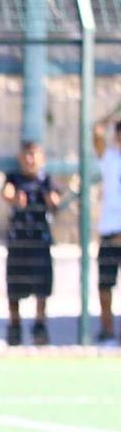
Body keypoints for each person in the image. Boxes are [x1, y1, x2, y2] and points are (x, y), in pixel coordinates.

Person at [0, 140, 62, 347]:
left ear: (41, 158)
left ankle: (39, 325)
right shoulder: (14, 178)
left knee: (42, 287)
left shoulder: (46, 181)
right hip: (18, 241)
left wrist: (50, 199)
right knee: (14, 287)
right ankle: (15, 325)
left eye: (33, 155)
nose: (29, 159)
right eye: (26, 155)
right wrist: (15, 199)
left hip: (40, 241)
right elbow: (7, 193)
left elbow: (56, 202)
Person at [96, 118, 121, 343]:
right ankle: (107, 328)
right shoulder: (110, 159)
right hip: (110, 232)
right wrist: (109, 119)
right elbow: (97, 134)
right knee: (105, 284)